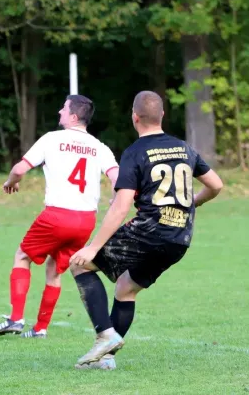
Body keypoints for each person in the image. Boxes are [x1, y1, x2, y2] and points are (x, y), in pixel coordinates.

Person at [69, 91, 223, 370]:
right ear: (162, 115)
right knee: (126, 289)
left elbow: (121, 206)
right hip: (180, 238)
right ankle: (105, 360)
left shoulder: (135, 152)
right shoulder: (184, 148)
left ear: (134, 117)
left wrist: (92, 246)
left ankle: (105, 335)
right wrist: (190, 206)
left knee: (79, 265)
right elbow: (216, 185)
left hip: (149, 231)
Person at [0, 95, 119, 338]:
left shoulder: (52, 139)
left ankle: (16, 319)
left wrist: (10, 182)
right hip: (86, 221)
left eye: (64, 108)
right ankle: (40, 329)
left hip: (58, 215)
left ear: (73, 116)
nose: (60, 111)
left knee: (22, 256)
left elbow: (19, 169)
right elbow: (117, 177)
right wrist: (115, 199)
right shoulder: (99, 146)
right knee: (54, 270)